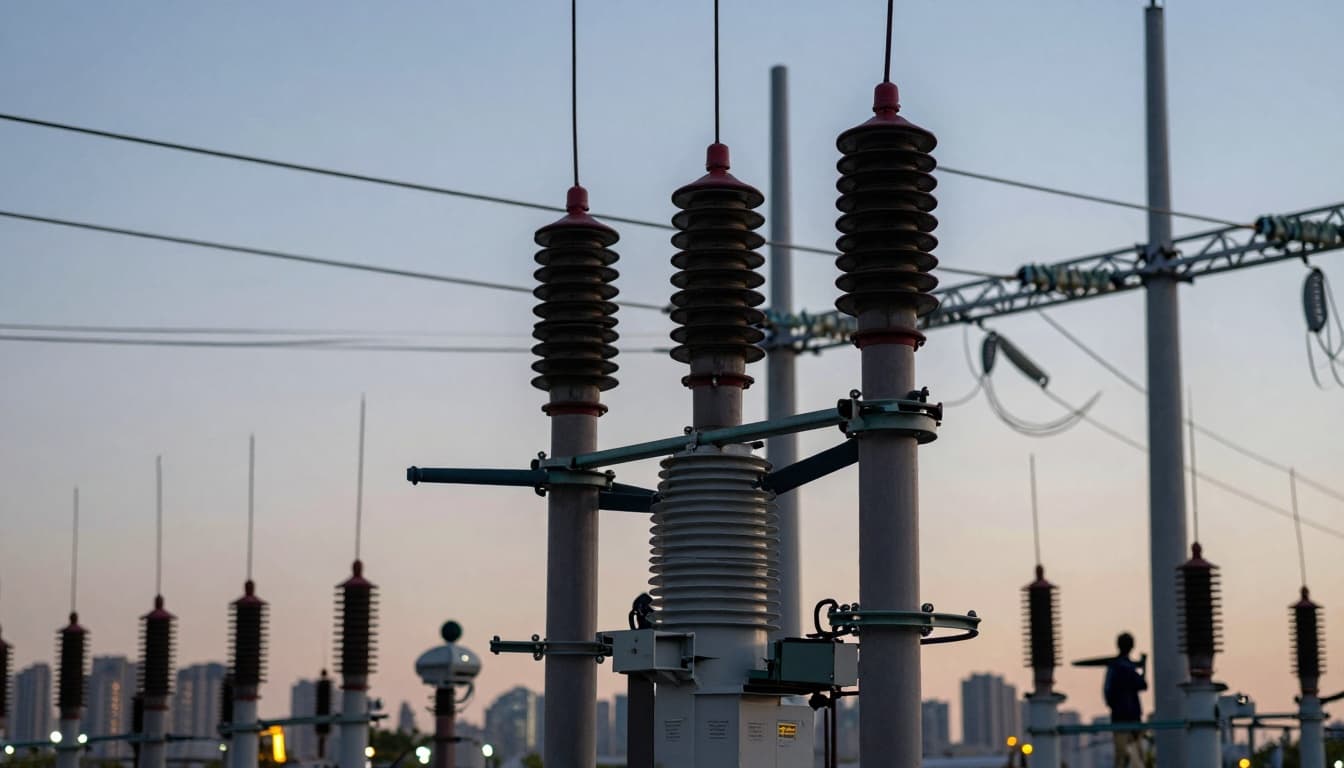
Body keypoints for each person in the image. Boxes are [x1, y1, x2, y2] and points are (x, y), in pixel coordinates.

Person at [1104, 632, 1148, 768]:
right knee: (1127, 756)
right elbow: (1142, 684)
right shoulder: (1122, 667)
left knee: (1128, 757)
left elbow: (1108, 692)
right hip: (1127, 716)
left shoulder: (1118, 667)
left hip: (1125, 716)